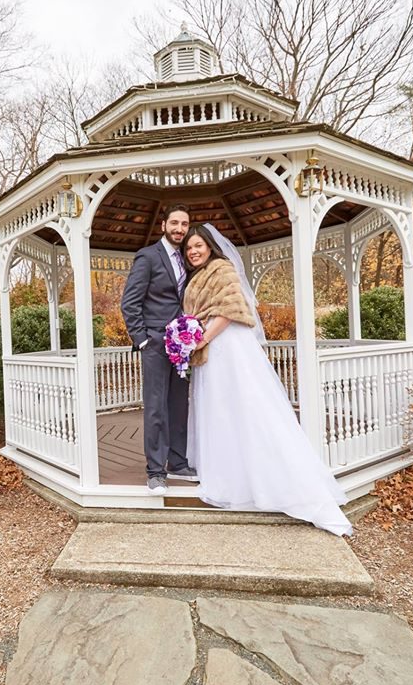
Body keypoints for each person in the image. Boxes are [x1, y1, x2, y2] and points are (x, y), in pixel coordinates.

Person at [182, 223, 352, 537]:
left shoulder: (222, 269)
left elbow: (230, 311)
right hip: (209, 351)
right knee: (221, 413)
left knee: (247, 409)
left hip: (227, 348)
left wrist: (201, 339)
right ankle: (231, 476)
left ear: (209, 246)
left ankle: (281, 481)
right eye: (189, 247)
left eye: (198, 245)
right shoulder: (196, 275)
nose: (193, 251)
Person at [121, 205, 198, 494]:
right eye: (175, 223)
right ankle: (155, 472)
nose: (179, 228)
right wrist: (142, 339)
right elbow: (130, 301)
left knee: (179, 406)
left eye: (184, 224)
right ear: (163, 225)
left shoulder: (187, 258)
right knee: (156, 408)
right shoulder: (148, 256)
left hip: (182, 344)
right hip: (154, 343)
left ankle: (177, 462)